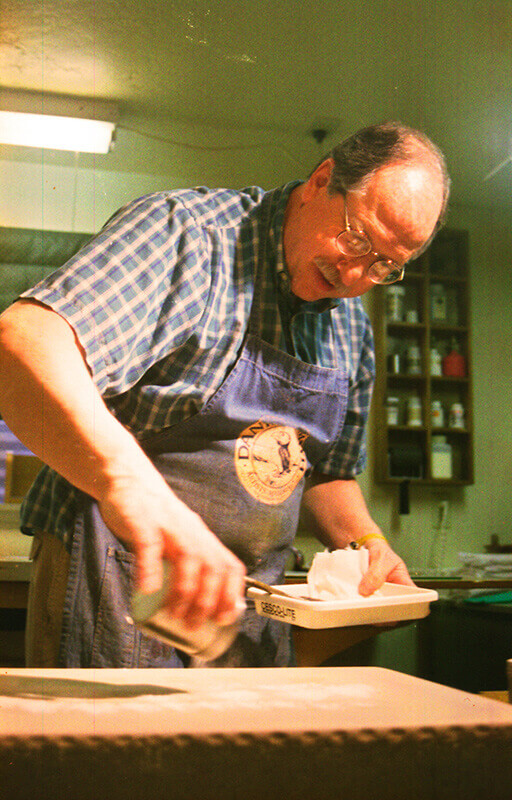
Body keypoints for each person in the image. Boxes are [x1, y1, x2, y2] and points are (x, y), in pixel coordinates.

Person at [0, 121, 449, 668]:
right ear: (321, 181)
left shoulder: (351, 328)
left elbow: (326, 473)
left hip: (249, 605)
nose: (354, 275)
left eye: (383, 265)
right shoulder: (188, 235)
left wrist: (366, 542)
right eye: (356, 239)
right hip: (116, 580)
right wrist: (132, 489)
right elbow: (23, 343)